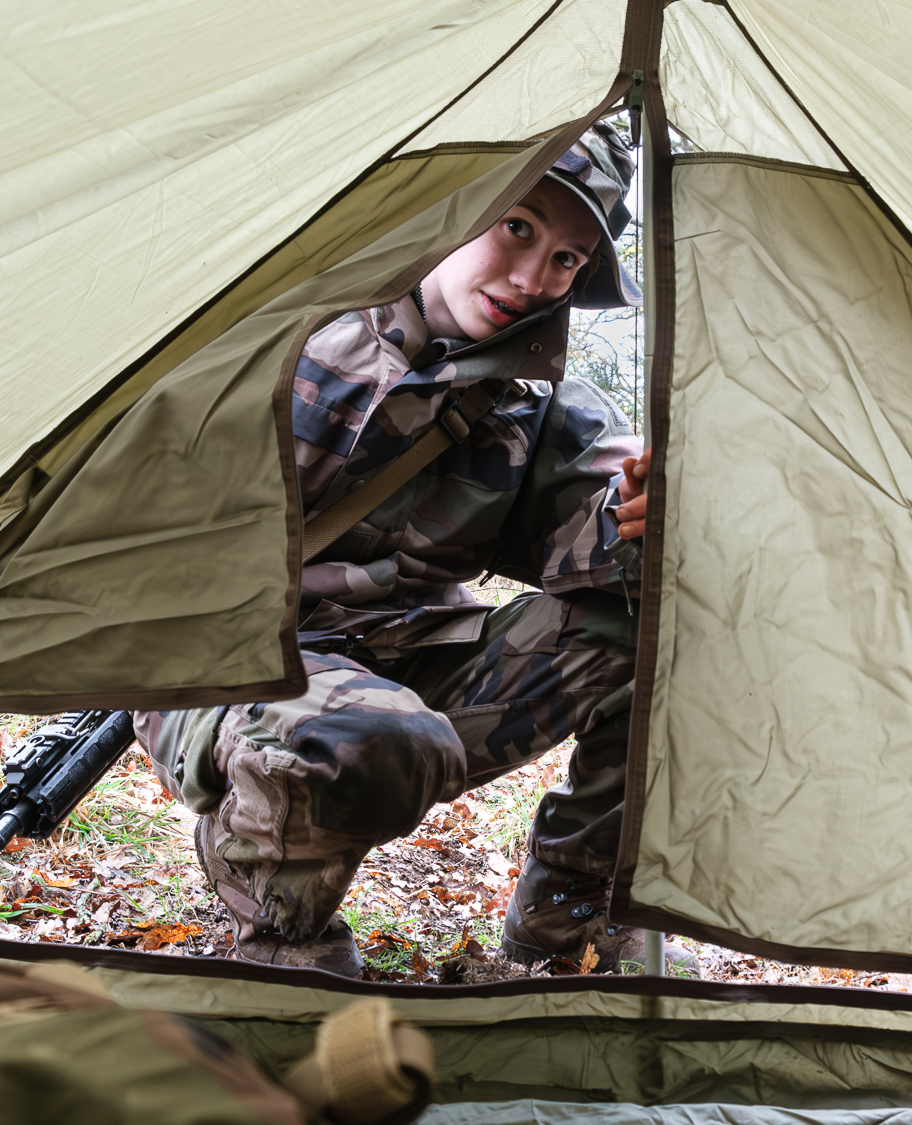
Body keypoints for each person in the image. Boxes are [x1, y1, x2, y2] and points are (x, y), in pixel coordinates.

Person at [131, 124, 654, 975]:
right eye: (517, 227)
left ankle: (568, 923)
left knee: (652, 631)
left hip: (411, 660)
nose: (532, 279)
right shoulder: (286, 324)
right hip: (231, 659)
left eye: (566, 259)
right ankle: (280, 924)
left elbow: (605, 515)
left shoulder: (538, 405)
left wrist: (644, 512)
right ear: (458, 208)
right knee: (374, 736)